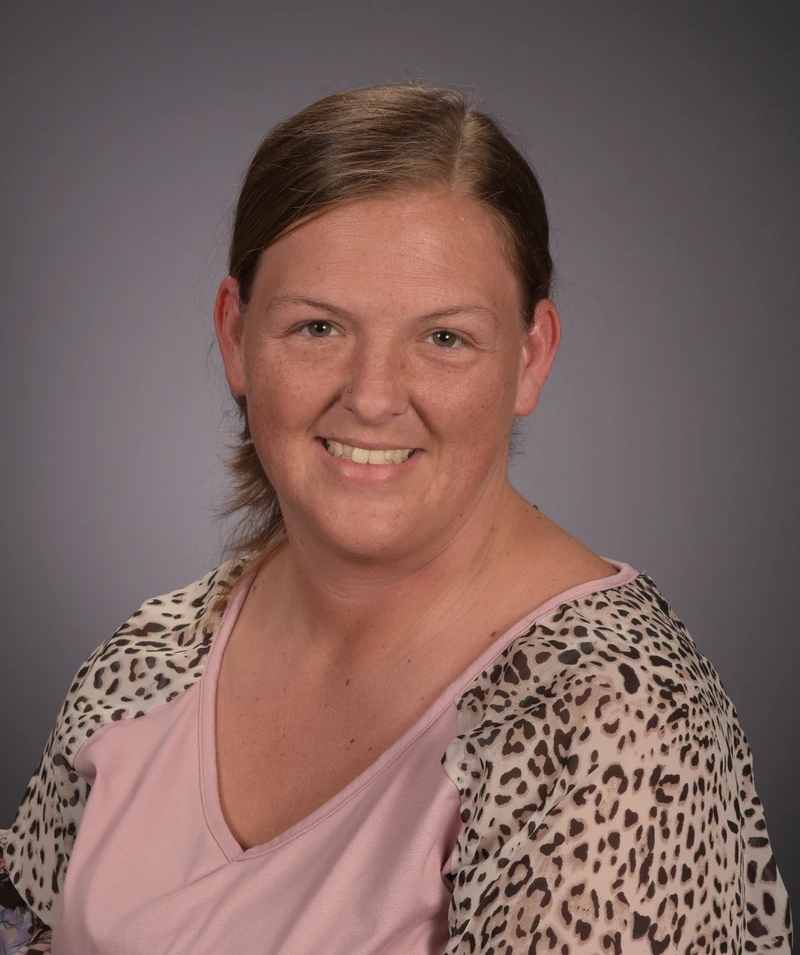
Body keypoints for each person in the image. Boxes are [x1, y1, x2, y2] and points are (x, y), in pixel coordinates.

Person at [0, 82, 792, 955]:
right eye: (317, 328)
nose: (373, 396)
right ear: (235, 334)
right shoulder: (155, 655)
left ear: (530, 359)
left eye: (444, 338)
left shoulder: (615, 719)